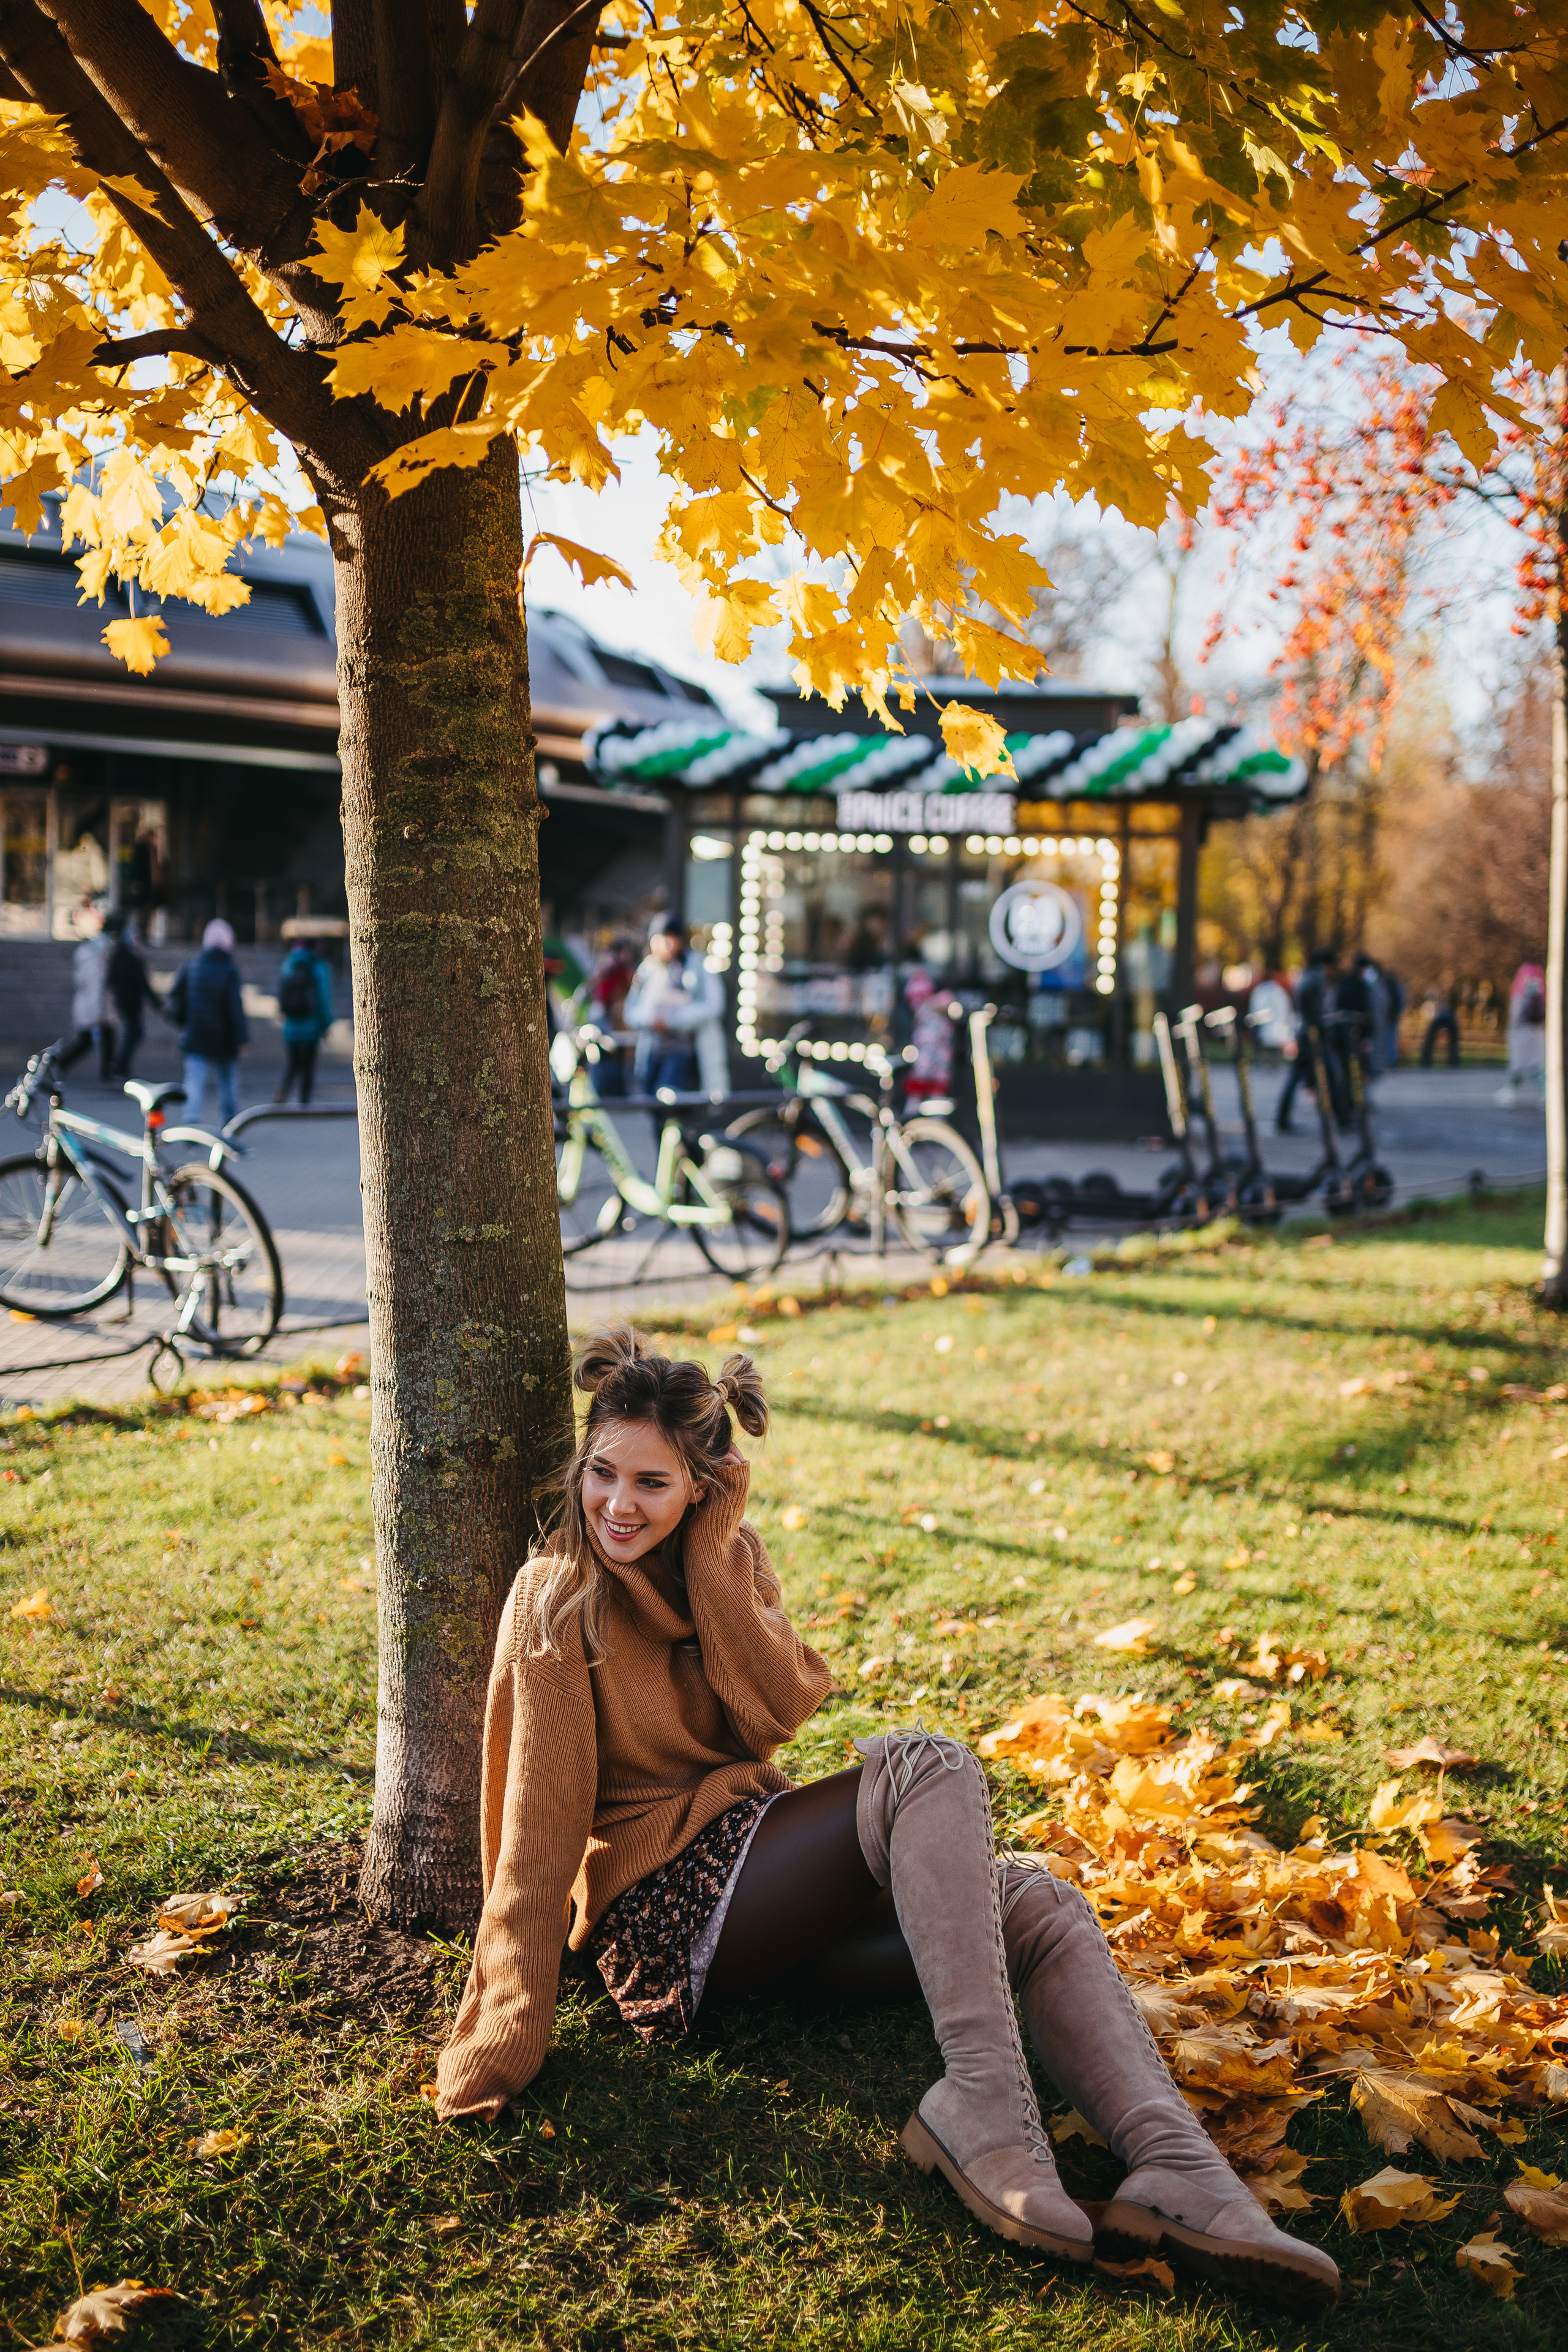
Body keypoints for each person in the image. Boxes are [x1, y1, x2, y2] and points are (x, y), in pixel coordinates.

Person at [430, 1330, 1340, 2309]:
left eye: (654, 1484)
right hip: (667, 1914)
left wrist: (712, 1555)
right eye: (604, 1473)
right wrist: (502, 2035)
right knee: (924, 1766)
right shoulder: (555, 1597)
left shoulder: (728, 1561)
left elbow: (771, 1710)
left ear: (703, 1488)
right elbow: (537, 1832)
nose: (618, 1504)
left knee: (1038, 1902)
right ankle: (983, 2106)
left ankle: (1178, 2173)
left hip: (760, 1893)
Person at [624, 916, 726, 1096]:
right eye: (662, 938)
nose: (667, 945)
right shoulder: (647, 969)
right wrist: (651, 1020)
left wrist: (673, 1021)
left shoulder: (697, 965)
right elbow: (631, 1011)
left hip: (684, 1054)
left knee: (672, 1101)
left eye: (672, 938)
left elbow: (714, 1005)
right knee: (652, 1104)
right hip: (652, 1052)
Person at [165, 917, 248, 1128]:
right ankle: (231, 1125)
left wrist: (181, 1021)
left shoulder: (193, 963)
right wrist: (241, 1039)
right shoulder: (229, 969)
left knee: (194, 1081)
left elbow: (176, 994)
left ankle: (190, 1122)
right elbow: (235, 1007)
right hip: (224, 1038)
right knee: (228, 1082)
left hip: (196, 1035)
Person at [1273, 949, 1341, 1133]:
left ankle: (1283, 1117)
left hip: (1306, 1032)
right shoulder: (1317, 980)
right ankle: (1341, 1116)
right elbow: (1317, 1009)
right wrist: (1321, 1027)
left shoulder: (1306, 977)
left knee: (1297, 1077)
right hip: (1312, 1034)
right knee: (1329, 1073)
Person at [57, 905, 115, 1082]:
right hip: (92, 1008)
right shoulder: (94, 963)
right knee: (87, 1041)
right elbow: (94, 988)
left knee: (103, 1037)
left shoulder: (88, 958)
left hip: (90, 1006)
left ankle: (107, 1071)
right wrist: (98, 1012)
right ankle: (60, 1064)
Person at [274, 938, 334, 1105]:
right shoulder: (319, 967)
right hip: (311, 1027)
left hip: (291, 1027)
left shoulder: (288, 965)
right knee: (308, 1067)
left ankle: (283, 1092)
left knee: (292, 1064)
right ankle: (304, 1102)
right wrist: (326, 1023)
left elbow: (281, 994)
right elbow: (323, 998)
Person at [104, 914, 161, 1080]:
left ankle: (120, 1064)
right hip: (130, 1003)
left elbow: (112, 980)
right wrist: (157, 1003)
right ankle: (120, 1065)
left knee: (133, 1033)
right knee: (134, 1033)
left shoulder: (120, 957)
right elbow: (142, 984)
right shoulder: (131, 959)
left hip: (125, 1001)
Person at [1498, 962, 1547, 1104]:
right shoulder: (1539, 985)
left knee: (1525, 1065)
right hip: (1534, 1033)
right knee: (1532, 1065)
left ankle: (1510, 1092)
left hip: (1524, 1033)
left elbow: (1519, 1013)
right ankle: (1510, 1091)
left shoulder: (1528, 985)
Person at [1419, 976, 1460, 1069]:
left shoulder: (1450, 994)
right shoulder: (1448, 994)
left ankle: (1426, 1060)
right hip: (1446, 1019)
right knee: (1452, 1040)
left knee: (1431, 1038)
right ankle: (1453, 1061)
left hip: (1443, 1019)